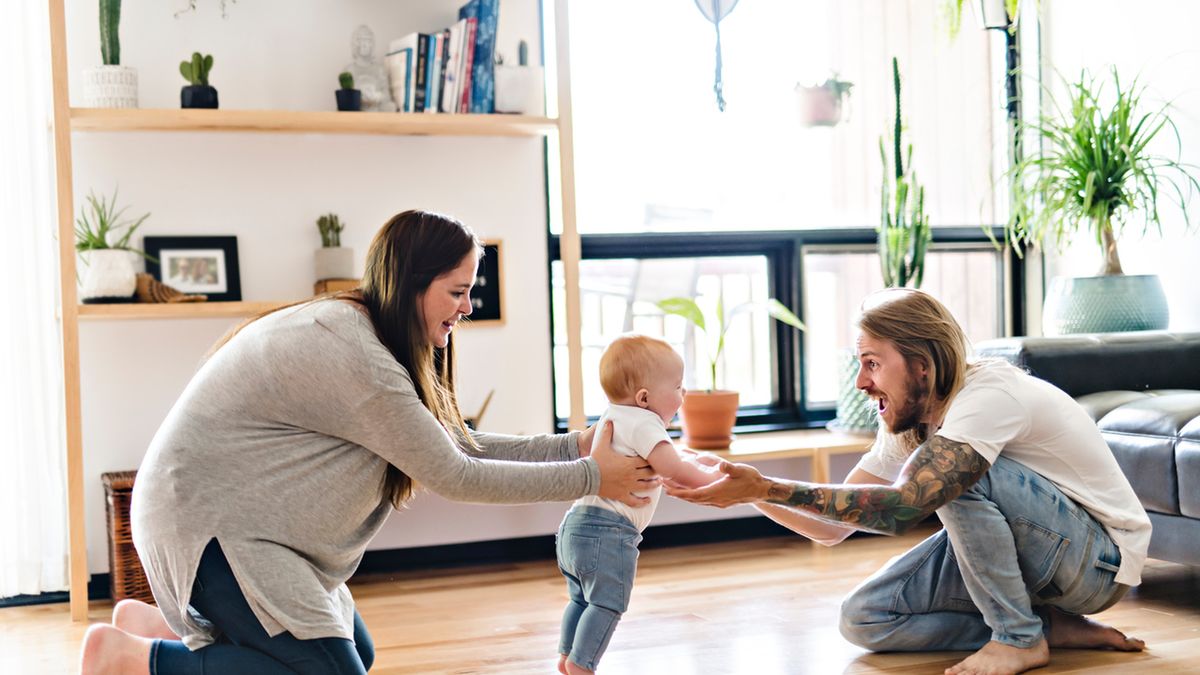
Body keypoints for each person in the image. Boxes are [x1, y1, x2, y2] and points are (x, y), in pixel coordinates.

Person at [79, 210, 655, 675]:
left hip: (254, 529)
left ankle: (148, 629)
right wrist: (592, 478)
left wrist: (577, 446)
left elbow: (460, 444)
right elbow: (456, 475)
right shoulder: (355, 354)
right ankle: (133, 660)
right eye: (457, 291)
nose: (467, 307)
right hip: (211, 529)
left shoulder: (372, 336)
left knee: (359, 655)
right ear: (414, 285)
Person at [668, 288, 1151, 675]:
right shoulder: (911, 416)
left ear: (922, 364)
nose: (861, 382)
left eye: (873, 363)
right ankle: (1046, 627)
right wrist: (749, 490)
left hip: (1098, 562)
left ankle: (1018, 638)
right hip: (1036, 553)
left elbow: (901, 508)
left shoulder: (988, 394)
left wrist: (767, 487)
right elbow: (830, 529)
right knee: (864, 619)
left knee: (950, 474)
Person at [556, 334, 719, 675]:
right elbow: (674, 469)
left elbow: (662, 459)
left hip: (573, 527)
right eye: (677, 386)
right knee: (608, 604)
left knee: (580, 600)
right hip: (609, 533)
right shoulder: (646, 422)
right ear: (645, 398)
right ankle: (582, 665)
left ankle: (566, 656)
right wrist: (713, 479)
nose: (683, 393)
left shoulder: (609, 417)